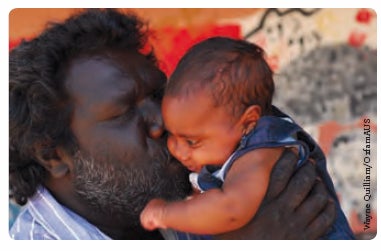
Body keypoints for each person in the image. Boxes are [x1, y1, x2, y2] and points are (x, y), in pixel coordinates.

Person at [9, 8, 336, 240]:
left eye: (157, 95)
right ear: (54, 155)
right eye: (123, 112)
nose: (161, 122)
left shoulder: (200, 195)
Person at [140, 37, 354, 239]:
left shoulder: (260, 151)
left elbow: (231, 210)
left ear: (248, 122)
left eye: (191, 141)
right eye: (172, 133)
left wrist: (166, 213)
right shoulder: (228, 141)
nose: (177, 150)